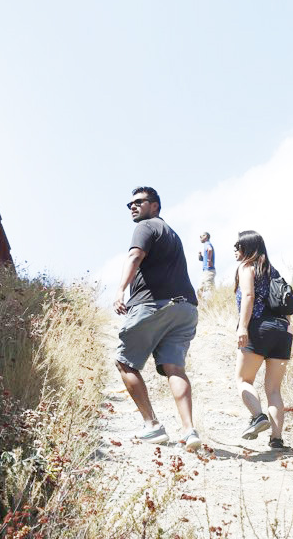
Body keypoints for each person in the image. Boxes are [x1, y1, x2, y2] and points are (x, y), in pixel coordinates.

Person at [113, 187, 201, 451]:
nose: (133, 207)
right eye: (130, 204)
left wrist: (120, 290)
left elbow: (135, 255)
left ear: (155, 206)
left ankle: (152, 425)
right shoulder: (171, 233)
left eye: (139, 202)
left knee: (125, 362)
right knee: (175, 369)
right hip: (185, 308)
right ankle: (189, 430)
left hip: (154, 304)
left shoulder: (146, 226)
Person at [233, 230, 292, 450]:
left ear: (247, 247)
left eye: (237, 246)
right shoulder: (273, 271)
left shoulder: (247, 267)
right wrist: (288, 327)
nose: (234, 250)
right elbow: (283, 301)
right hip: (282, 330)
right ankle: (277, 440)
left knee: (243, 380)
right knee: (274, 390)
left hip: (258, 328)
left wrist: (243, 327)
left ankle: (258, 417)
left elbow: (248, 296)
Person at [198, 232, 216, 296]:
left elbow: (210, 249)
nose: (200, 238)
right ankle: (200, 302)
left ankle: (214, 299)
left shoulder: (207, 243)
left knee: (209, 288)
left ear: (205, 236)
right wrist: (200, 256)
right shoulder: (206, 244)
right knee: (200, 289)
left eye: (201, 236)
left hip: (209, 270)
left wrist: (209, 260)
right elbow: (203, 259)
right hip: (206, 271)